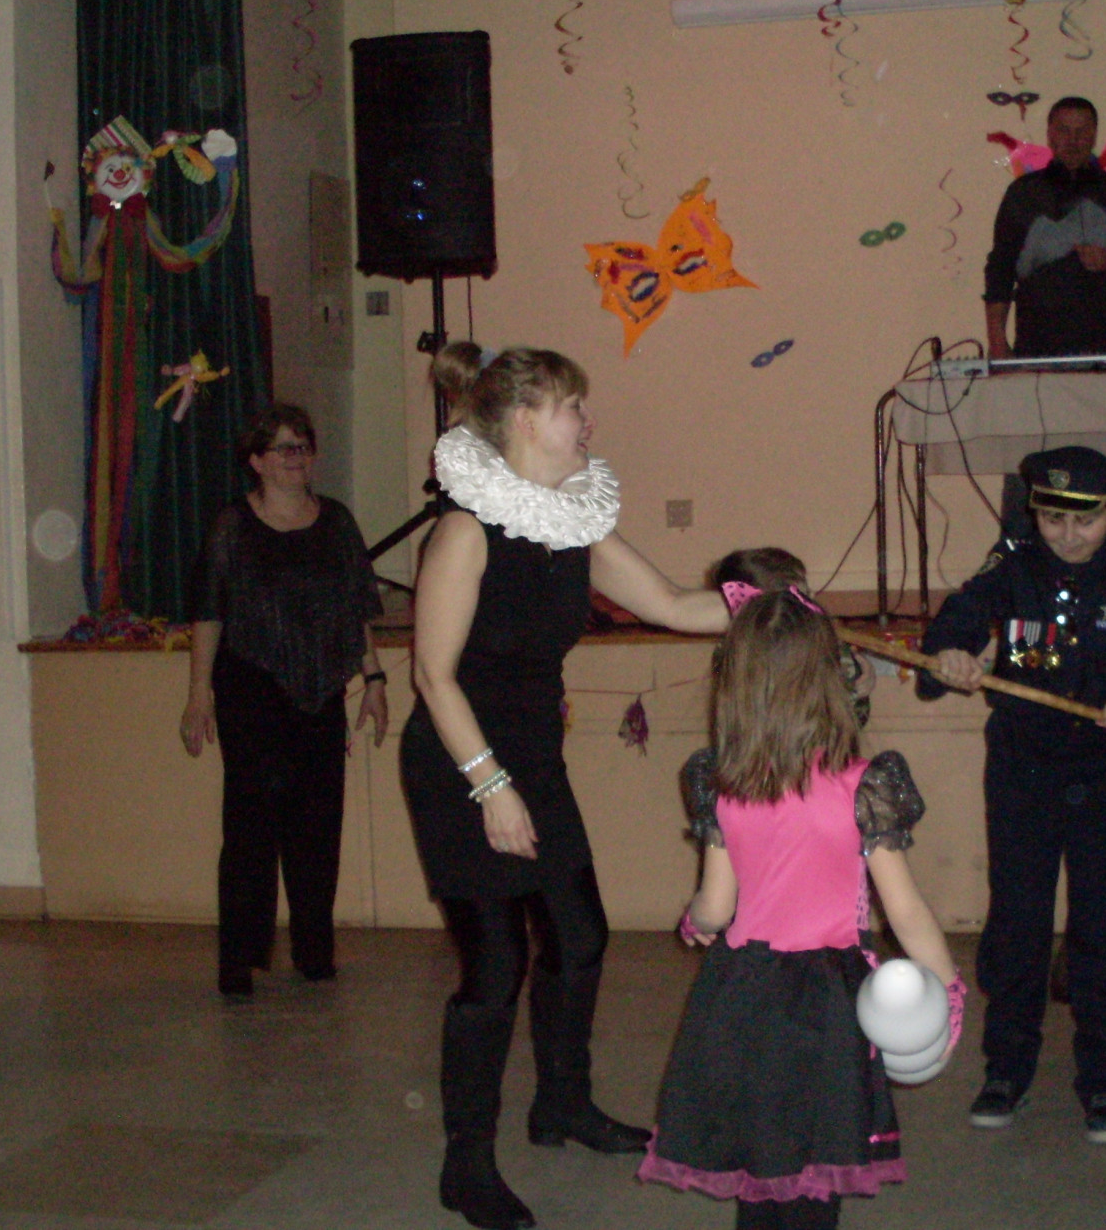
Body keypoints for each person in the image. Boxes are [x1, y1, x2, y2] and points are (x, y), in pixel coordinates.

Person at [407, 342, 732, 1230]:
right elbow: (433, 675)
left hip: (533, 762)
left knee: (581, 939)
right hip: (459, 762)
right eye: (573, 407)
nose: (589, 422)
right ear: (525, 419)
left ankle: (562, 1104)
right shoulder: (466, 531)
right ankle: (466, 1164)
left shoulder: (570, 523)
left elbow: (673, 604)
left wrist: (771, 605)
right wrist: (491, 788)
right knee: (495, 968)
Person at [638, 584, 962, 1230]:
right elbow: (905, 912)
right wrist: (948, 990)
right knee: (818, 1155)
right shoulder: (862, 785)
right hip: (828, 998)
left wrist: (693, 922)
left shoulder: (720, 783)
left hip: (742, 992)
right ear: (827, 679)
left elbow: (715, 904)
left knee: (759, 1156)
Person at [918, 445, 1106, 1142]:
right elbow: (954, 622)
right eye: (1052, 519)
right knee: (1018, 924)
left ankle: (1104, 1076)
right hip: (1026, 772)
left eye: (1086, 520)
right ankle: (1006, 1069)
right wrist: (950, 655)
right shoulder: (1012, 567)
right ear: (1034, 513)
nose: (1068, 536)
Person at [181, 403, 388, 1001]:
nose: (297, 458)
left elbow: (357, 609)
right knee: (250, 830)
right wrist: (198, 694)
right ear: (256, 460)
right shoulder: (232, 526)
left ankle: (314, 951)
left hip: (321, 693)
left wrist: (374, 679)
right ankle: (240, 958)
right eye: (284, 448)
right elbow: (209, 613)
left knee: (318, 828)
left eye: (304, 447)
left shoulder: (338, 522)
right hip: (249, 691)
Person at [983, 95, 1106, 361]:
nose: (1073, 139)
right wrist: (997, 343)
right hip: (1037, 346)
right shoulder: (1023, 194)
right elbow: (1000, 270)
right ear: (1050, 135)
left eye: (1081, 131)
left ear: (1094, 135)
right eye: (1064, 130)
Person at [709, 547, 874, 726]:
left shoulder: (729, 651)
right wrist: (855, 693)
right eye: (802, 596)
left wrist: (858, 688)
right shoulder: (820, 646)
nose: (812, 597)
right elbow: (854, 717)